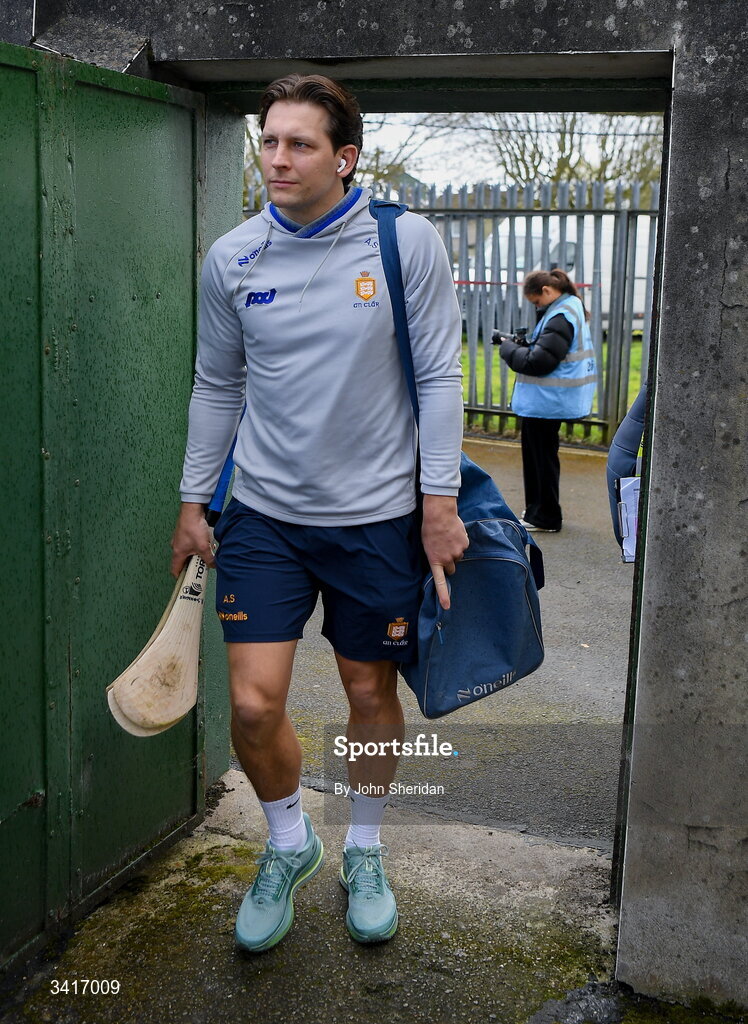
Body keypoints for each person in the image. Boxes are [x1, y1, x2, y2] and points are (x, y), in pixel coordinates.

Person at [170, 73, 468, 953]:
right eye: (268, 141)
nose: (278, 158)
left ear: (344, 158)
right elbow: (217, 383)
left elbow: (442, 376)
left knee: (367, 689)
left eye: (299, 144)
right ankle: (291, 846)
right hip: (262, 515)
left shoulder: (401, 241)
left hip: (376, 517)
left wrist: (438, 502)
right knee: (255, 707)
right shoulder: (232, 257)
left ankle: (366, 851)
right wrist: (194, 503)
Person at [494, 269, 596, 532]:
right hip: (550, 400)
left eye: (536, 302)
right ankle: (539, 512)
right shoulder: (569, 308)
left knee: (541, 460)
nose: (536, 307)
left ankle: (545, 516)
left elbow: (539, 362)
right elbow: (547, 351)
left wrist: (508, 349)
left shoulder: (560, 316)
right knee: (543, 458)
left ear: (547, 291)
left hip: (547, 402)